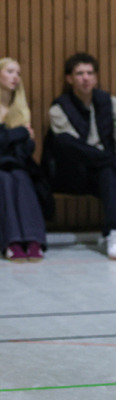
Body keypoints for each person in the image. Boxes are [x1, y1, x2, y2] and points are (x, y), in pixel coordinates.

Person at [44, 52, 116, 260]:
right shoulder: (59, 108)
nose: (86, 78)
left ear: (96, 78)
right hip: (71, 174)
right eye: (79, 73)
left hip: (104, 173)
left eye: (90, 73)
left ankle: (114, 233)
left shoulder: (111, 103)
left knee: (109, 169)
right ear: (69, 79)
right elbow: (72, 148)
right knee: (63, 140)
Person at [0, 58, 47, 261]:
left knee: (21, 177)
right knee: (4, 179)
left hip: (14, 164)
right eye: (10, 71)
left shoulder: (20, 108)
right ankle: (12, 241)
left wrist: (12, 138)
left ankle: (33, 238)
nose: (15, 77)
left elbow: (27, 148)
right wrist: (18, 133)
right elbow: (20, 138)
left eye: (18, 73)